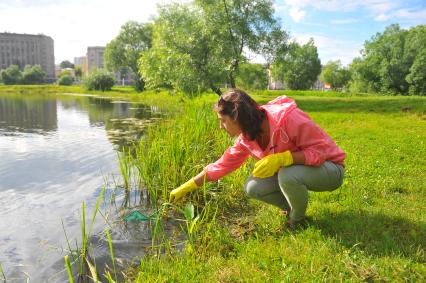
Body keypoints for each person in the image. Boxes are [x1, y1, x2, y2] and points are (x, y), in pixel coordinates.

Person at [169, 88, 345, 228]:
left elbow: (321, 151)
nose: (221, 127)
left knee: (287, 175)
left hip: (330, 169)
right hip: (298, 171)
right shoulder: (247, 137)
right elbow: (222, 166)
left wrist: (284, 158)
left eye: (223, 120)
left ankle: (297, 221)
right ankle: (292, 206)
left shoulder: (288, 118)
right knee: (253, 187)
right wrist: (188, 186)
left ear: (238, 116)